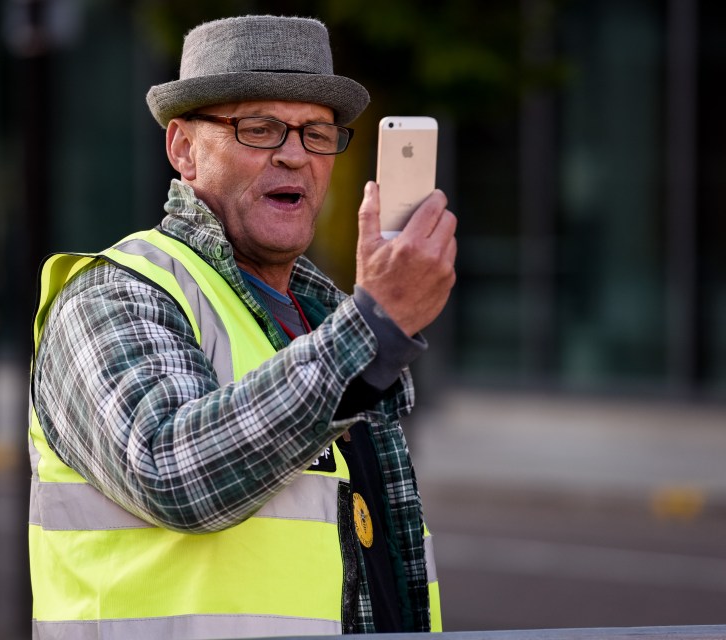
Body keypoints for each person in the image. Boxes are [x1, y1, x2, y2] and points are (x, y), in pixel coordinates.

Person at [28, 14, 457, 640]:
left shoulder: (329, 317)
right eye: (258, 128)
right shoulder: (111, 295)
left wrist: (365, 326)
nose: (293, 154)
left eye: (316, 132)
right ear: (182, 149)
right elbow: (170, 469)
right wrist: (373, 327)